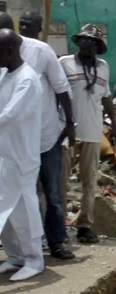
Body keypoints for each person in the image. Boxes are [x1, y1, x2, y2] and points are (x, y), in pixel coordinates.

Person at [0, 12, 75, 260]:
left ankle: (55, 243)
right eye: (24, 25)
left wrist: (70, 124)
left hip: (45, 135)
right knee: (22, 197)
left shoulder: (40, 52)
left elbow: (62, 89)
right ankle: (25, 251)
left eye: (31, 25)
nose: (27, 28)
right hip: (16, 143)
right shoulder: (4, 62)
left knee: (52, 194)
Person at [59, 24, 116, 243]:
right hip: (67, 131)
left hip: (93, 132)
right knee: (62, 181)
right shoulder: (64, 63)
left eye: (93, 42)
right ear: (78, 42)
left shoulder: (103, 67)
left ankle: (84, 225)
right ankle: (59, 225)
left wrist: (114, 124)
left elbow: (106, 98)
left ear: (98, 46)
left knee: (89, 183)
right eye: (84, 40)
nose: (88, 44)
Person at [0, 28, 45, 281]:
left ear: (8, 50)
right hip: (5, 154)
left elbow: (10, 115)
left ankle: (34, 260)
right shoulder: (5, 75)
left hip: (21, 155)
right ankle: (15, 257)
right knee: (3, 209)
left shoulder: (27, 79)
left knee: (24, 210)